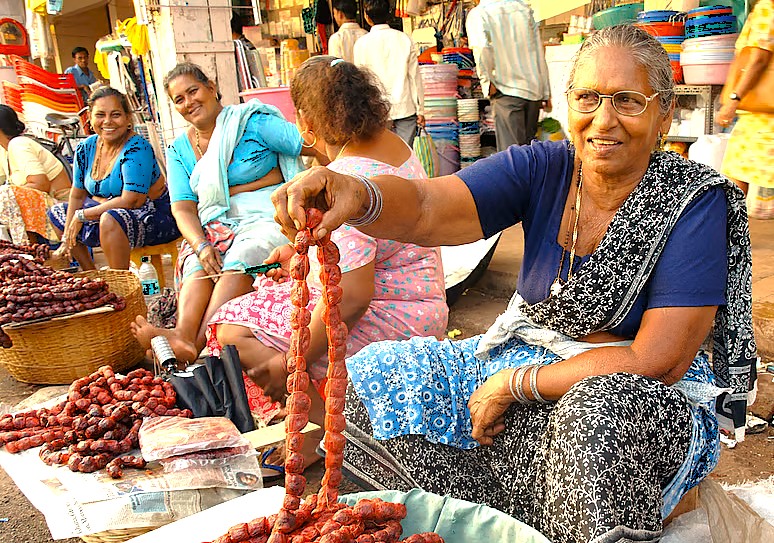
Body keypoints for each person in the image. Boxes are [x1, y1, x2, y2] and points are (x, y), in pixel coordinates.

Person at [271, 26, 757, 543]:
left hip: (630, 391)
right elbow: (429, 206)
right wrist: (356, 192)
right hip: (516, 358)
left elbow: (659, 359)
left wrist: (516, 384)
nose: (604, 120)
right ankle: (435, 527)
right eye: (588, 98)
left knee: (601, 419)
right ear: (567, 103)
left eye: (629, 101)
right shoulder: (543, 167)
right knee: (376, 374)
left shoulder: (695, 202)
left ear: (663, 113)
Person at [206, 57, 448, 405]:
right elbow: (372, 252)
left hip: (393, 320)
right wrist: (298, 256)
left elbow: (351, 299)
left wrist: (290, 364)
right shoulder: (396, 147)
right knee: (267, 291)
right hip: (425, 304)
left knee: (231, 328)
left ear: (304, 122)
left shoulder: (345, 181)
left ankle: (319, 426)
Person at [131, 63, 318, 364]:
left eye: (193, 91)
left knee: (242, 255)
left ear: (212, 87)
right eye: (179, 99)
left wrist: (294, 184)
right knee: (197, 260)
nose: (189, 102)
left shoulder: (251, 123)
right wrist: (201, 245)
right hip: (214, 223)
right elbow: (182, 206)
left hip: (265, 216)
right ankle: (183, 335)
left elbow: (311, 145)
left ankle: (203, 344)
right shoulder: (180, 149)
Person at [48, 87, 179, 270]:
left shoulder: (137, 148)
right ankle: (91, 275)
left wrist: (82, 215)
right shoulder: (85, 148)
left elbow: (132, 200)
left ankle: (119, 281)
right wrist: (67, 237)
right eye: (100, 115)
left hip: (154, 215)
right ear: (90, 118)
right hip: (110, 212)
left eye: (115, 114)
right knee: (58, 212)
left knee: (110, 218)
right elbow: (77, 196)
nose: (108, 121)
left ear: (127, 119)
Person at [466, 0, 551, 151]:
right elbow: (538, 52)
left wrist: (487, 82)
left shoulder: (479, 14)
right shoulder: (522, 8)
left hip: (506, 91)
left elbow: (482, 49)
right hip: (533, 90)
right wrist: (545, 91)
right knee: (530, 154)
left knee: (511, 158)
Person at [717, 0, 773, 219]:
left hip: (762, 118)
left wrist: (734, 98)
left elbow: (759, 58)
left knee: (736, 174)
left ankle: (728, 234)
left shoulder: (767, 9)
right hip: (761, 118)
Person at [354, 0, 424, 147]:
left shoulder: (361, 44)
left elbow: (360, 82)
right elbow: (415, 78)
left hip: (376, 110)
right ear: (389, 15)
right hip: (405, 107)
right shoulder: (404, 39)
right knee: (405, 153)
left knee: (381, 155)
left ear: (367, 17)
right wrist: (421, 109)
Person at [0, 105, 71, 244]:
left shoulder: (18, 144)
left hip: (59, 205)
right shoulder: (4, 150)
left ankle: (29, 250)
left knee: (6, 195)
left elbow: (41, 184)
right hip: (40, 207)